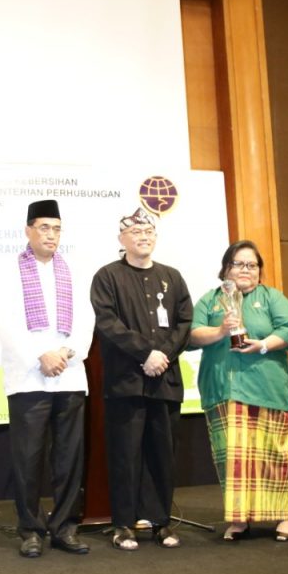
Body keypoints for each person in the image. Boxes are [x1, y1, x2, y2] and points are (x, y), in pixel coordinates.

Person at [0, 199, 95, 558]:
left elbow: (86, 320)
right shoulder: (9, 271)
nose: (51, 235)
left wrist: (65, 353)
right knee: (28, 459)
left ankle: (65, 528)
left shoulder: (74, 270)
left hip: (68, 376)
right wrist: (41, 354)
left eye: (57, 228)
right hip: (28, 377)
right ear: (28, 230)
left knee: (69, 459)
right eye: (44, 227)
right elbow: (4, 321)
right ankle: (31, 530)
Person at [90, 207, 193, 550]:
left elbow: (183, 322)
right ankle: (123, 524)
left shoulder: (172, 277)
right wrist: (145, 354)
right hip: (126, 383)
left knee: (162, 454)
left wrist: (162, 355)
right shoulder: (107, 277)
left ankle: (161, 522)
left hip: (165, 381)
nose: (143, 237)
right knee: (125, 455)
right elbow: (108, 324)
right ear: (122, 239)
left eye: (148, 232)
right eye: (135, 233)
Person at [189, 240, 288, 542]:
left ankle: (285, 518)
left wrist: (264, 344)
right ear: (226, 268)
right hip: (222, 389)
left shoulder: (271, 297)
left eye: (252, 265)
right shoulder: (211, 300)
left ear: (259, 271)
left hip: (267, 388)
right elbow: (191, 333)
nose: (245, 270)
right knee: (232, 459)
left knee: (272, 455)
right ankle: (239, 520)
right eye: (238, 264)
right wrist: (220, 331)